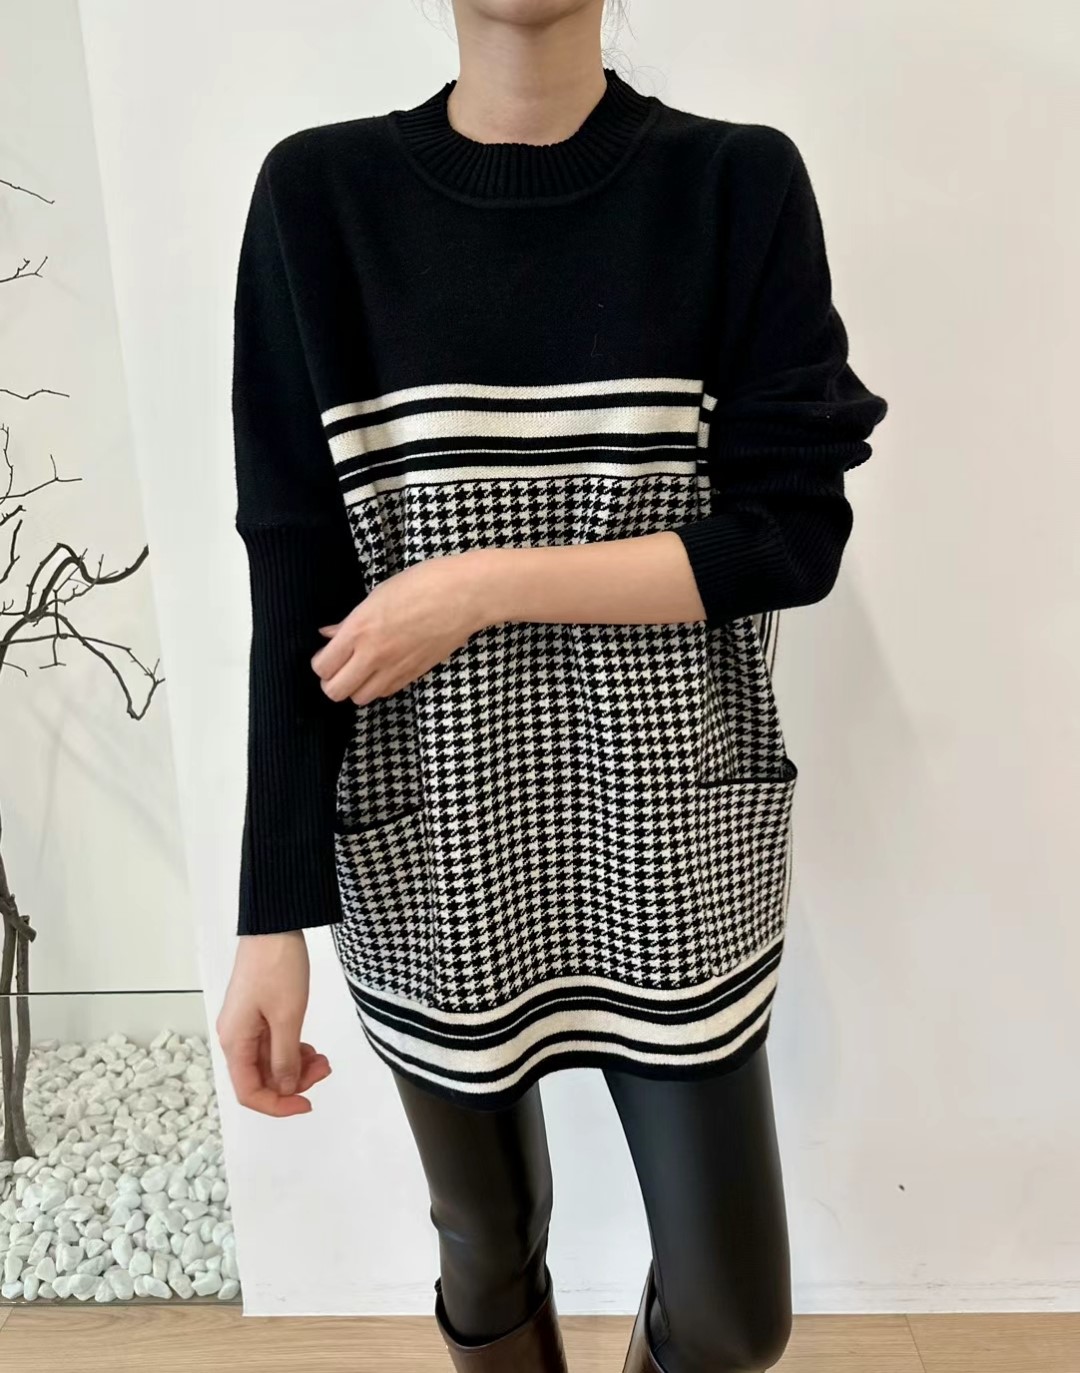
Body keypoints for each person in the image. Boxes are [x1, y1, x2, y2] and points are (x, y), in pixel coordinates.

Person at [216, 2, 889, 1369]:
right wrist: (269, 917)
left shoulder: (734, 183)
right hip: (433, 847)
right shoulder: (318, 200)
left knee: (732, 1314)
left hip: (675, 844)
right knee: (487, 1240)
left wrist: (478, 584)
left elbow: (791, 537)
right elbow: (293, 575)